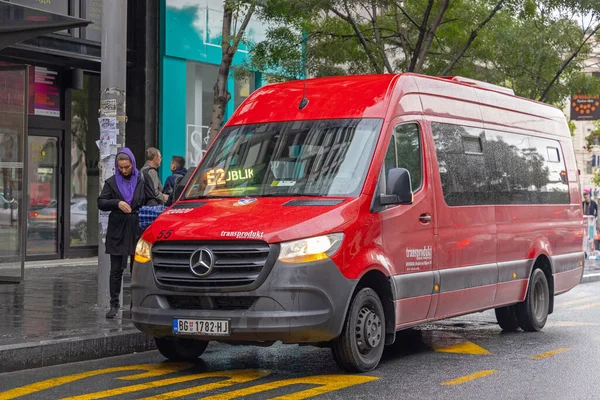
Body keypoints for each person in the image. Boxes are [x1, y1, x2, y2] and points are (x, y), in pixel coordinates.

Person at [98, 148, 151, 319]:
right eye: (120, 167)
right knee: (116, 269)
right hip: (118, 228)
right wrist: (117, 203)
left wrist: (147, 208)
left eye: (127, 167)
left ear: (133, 164)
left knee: (137, 268)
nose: (124, 170)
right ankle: (114, 305)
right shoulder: (111, 182)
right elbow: (101, 202)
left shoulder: (142, 180)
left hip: (137, 227)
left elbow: (152, 198)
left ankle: (136, 304)